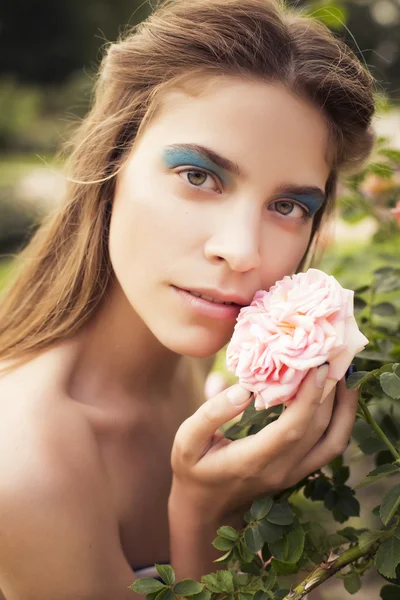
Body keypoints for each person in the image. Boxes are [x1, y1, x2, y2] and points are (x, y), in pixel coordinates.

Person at [0, 0, 376, 598]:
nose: (242, 251)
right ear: (113, 161)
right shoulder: (26, 465)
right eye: (200, 176)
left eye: (288, 206)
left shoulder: (198, 361)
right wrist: (203, 512)